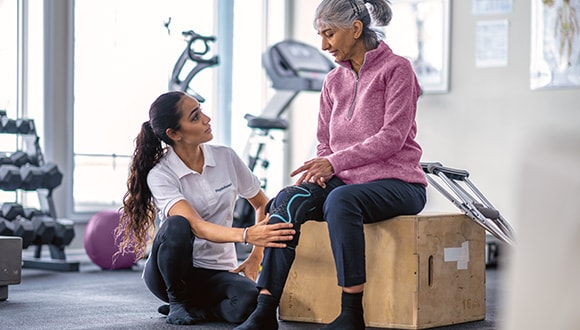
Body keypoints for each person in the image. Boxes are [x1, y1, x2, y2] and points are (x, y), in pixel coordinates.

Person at [235, 0, 427, 329]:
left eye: (329, 34)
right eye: (320, 35)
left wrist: (333, 162)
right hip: (345, 182)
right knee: (287, 199)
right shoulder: (332, 81)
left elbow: (392, 137)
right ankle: (265, 309)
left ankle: (352, 313)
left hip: (399, 183)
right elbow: (324, 140)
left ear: (355, 29)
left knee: (341, 200)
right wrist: (321, 170)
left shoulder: (397, 70)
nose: (324, 45)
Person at [114, 91, 295, 326]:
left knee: (251, 303)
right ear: (174, 134)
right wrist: (246, 234)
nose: (207, 119)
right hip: (170, 273)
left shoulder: (226, 157)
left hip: (219, 270)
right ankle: (178, 302)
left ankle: (199, 307)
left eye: (201, 111)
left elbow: (261, 203)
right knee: (178, 224)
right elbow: (196, 226)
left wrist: (255, 255)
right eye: (195, 116)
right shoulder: (161, 174)